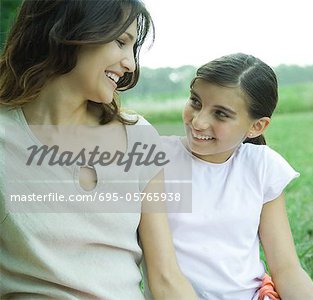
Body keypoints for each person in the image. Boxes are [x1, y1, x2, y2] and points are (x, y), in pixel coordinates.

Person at [0, 1, 197, 299]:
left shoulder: (138, 138)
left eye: (133, 49)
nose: (130, 64)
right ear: (70, 29)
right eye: (121, 42)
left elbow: (166, 277)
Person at [161, 53, 313, 299]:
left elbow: (286, 269)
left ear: (256, 127)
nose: (198, 121)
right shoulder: (158, 159)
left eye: (221, 114)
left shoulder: (261, 166)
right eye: (196, 101)